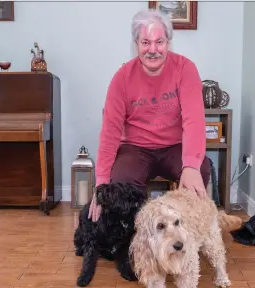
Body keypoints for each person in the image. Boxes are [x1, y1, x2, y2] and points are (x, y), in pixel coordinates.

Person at [88, 9, 210, 222]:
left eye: (159, 42)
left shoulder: (185, 69)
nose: (153, 49)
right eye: (146, 42)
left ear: (168, 43)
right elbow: (110, 132)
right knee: (121, 180)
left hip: (174, 146)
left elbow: (194, 120)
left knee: (202, 168)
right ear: (136, 44)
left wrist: (191, 165)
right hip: (136, 148)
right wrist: (101, 183)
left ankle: (183, 234)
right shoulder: (121, 79)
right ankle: (136, 238)